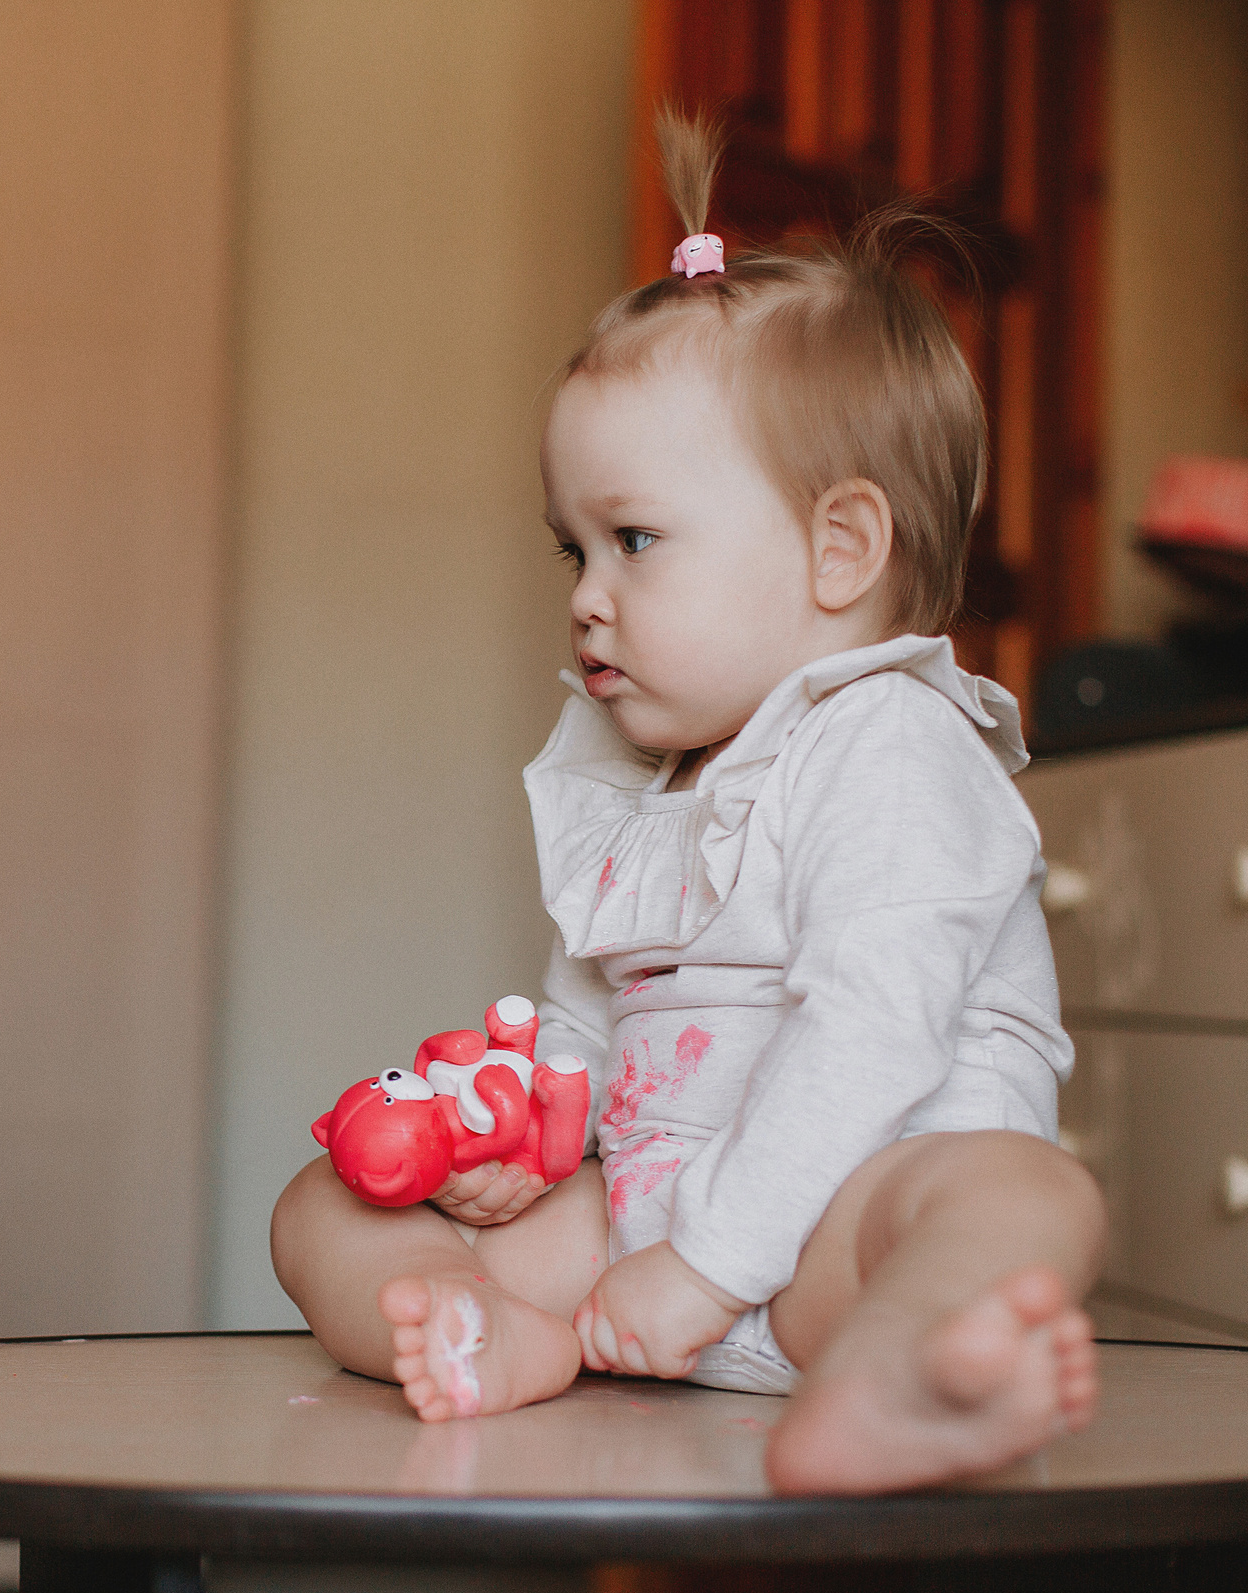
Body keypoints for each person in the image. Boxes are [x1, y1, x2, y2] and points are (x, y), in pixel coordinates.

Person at [269, 114, 1107, 1496]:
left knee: (1019, 1196)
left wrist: (716, 1263)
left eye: (636, 539)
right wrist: (527, 1149)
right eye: (574, 547)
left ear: (840, 547)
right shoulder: (644, 778)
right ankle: (483, 1323)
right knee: (325, 1202)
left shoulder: (895, 743)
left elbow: (875, 1024)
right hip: (641, 1247)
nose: (588, 593)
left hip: (834, 1243)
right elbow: (596, 1013)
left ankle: (908, 1364)